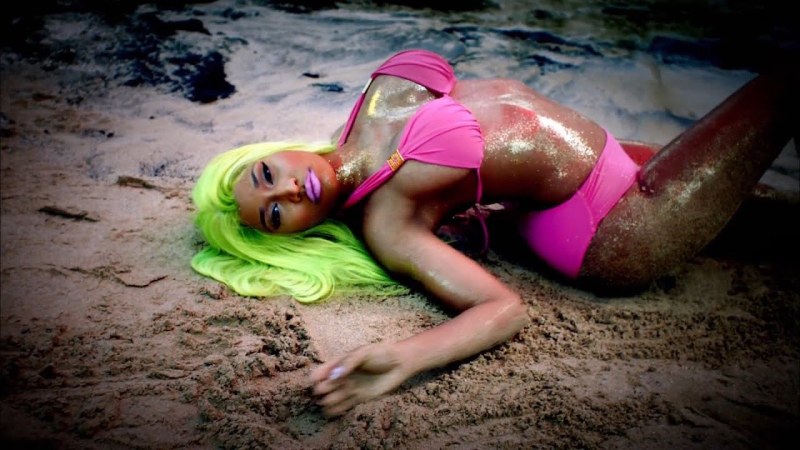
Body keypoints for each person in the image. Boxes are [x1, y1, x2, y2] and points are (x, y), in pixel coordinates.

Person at [191, 49, 797, 416]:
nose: (287, 192)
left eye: (266, 176)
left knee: (783, 223)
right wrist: (404, 358)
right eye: (276, 214)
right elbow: (503, 309)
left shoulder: (362, 114)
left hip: (610, 153)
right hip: (618, 222)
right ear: (296, 233)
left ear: (273, 151)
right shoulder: (387, 222)